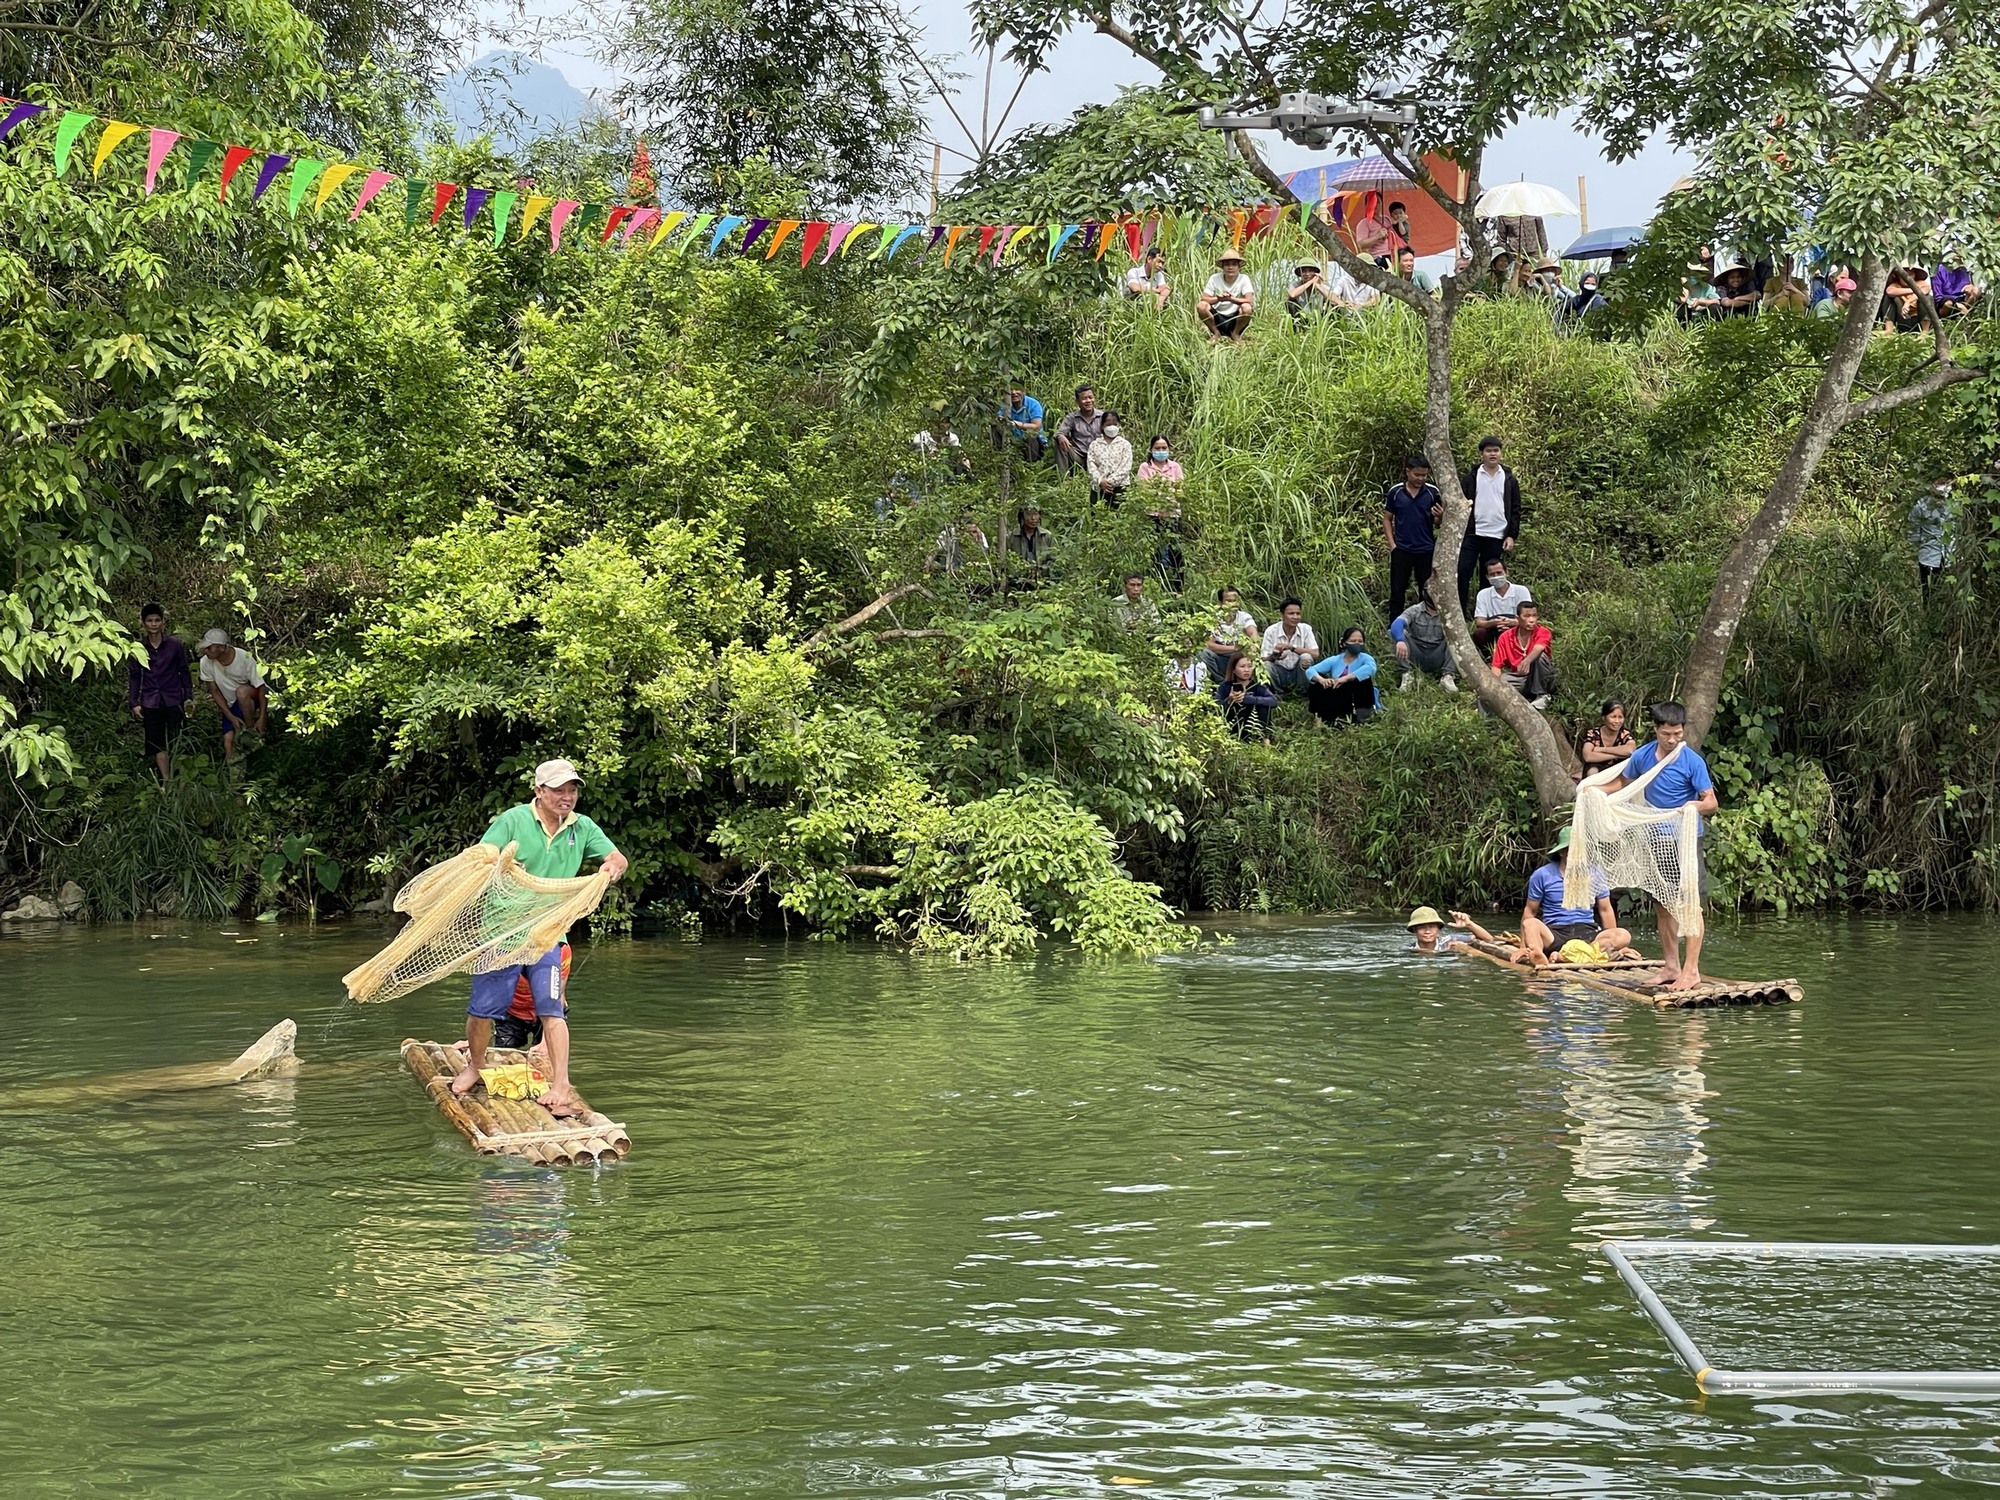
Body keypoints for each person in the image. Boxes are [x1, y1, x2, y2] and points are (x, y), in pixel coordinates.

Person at [452, 759, 628, 1116]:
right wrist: (494, 862)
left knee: (553, 1009)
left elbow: (616, 857)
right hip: (501, 933)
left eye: (572, 790)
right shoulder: (513, 820)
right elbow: (483, 857)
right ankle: (475, 1065)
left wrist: (612, 867)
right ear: (539, 792)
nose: (567, 797)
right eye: (559, 790)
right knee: (482, 1011)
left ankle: (561, 1084)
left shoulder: (583, 827)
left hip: (548, 933)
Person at [1605, 702, 1718, 991]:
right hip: (1656, 838)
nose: (1672, 740)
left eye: (1677, 734)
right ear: (1656, 730)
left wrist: (1695, 805)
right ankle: (1671, 966)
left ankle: (1691, 970)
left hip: (1686, 837)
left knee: (1690, 905)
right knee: (1662, 905)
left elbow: (1711, 802)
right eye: (1667, 734)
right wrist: (1592, 790)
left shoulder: (1691, 760)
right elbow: (1623, 783)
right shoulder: (1642, 756)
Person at [1520, 827, 1633, 964]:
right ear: (1562, 852)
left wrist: (1620, 946)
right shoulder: (1542, 875)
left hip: (1587, 933)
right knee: (1530, 924)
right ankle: (1537, 953)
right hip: (1555, 933)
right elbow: (1530, 911)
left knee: (1622, 935)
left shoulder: (1596, 874)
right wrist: (1522, 947)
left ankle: (1567, 955)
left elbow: (1605, 909)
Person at [127, 603, 192, 785]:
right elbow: (134, 676)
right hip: (150, 700)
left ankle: (183, 780)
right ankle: (167, 781)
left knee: (179, 738)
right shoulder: (138, 648)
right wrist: (134, 702)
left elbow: (184, 671)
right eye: (150, 621)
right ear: (144, 624)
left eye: (157, 620)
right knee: (157, 743)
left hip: (173, 698)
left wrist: (188, 696)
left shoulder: (175, 645)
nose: (154, 624)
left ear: (163, 622)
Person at [1457, 437, 1522, 617]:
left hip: (1496, 535)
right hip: (1472, 533)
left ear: (1500, 453)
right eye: (1488, 451)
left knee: (1490, 577)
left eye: (1496, 450)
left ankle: (1484, 614)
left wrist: (1511, 535)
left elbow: (1516, 509)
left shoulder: (1509, 479)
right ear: (1482, 454)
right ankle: (1460, 614)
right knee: (1463, 572)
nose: (1492, 454)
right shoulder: (1472, 477)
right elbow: (1460, 504)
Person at [1382, 455, 1442, 618]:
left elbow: (1437, 523)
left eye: (1424, 475)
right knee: (1397, 590)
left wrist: (1440, 516)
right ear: (1407, 472)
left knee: (1427, 590)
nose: (1420, 478)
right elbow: (1387, 519)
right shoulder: (1396, 492)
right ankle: (1394, 626)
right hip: (1402, 549)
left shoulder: (1432, 492)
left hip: (1426, 549)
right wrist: (1392, 545)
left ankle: (1425, 624)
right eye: (1417, 475)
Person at [197, 627, 268, 763]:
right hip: (231, 703)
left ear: (221, 648)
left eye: (209, 648)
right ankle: (234, 776)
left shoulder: (243, 657)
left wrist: (262, 716)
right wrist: (231, 716)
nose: (206, 651)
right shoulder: (205, 662)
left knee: (241, 692)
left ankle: (250, 731)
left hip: (250, 696)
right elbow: (215, 692)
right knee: (228, 741)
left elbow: (261, 686)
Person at [496, 941, 572, 1054]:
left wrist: (546, 1042)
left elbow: (558, 995)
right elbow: (486, 999)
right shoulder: (500, 951)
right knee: (502, 1056)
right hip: (512, 1011)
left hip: (548, 1011)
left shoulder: (561, 950)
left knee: (547, 1056)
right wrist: (475, 1043)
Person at [1137, 436, 1186, 590]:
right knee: (1156, 551)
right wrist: (1164, 497)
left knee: (1175, 551)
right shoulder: (1145, 467)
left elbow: (1180, 490)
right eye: (1157, 448)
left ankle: (1179, 587)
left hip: (1172, 515)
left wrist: (1165, 498)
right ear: (1151, 450)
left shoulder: (1175, 467)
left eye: (1164, 448)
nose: (1161, 451)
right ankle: (1159, 585)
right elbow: (1144, 490)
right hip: (1152, 515)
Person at [1305, 626, 1378, 726]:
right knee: (1316, 682)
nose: (1357, 644)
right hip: (1339, 695)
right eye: (1353, 641)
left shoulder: (1365, 658)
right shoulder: (1335, 660)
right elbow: (1311, 670)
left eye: (1360, 641)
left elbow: (1371, 668)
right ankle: (1322, 716)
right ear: (1344, 643)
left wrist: (1346, 678)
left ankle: (1360, 716)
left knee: (1363, 679)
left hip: (1357, 696)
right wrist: (1321, 680)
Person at [1491, 599, 1556, 708]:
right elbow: (1496, 666)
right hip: (1521, 678)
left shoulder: (1543, 632)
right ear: (1517, 619)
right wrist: (1494, 685)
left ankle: (1542, 695)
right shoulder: (1506, 637)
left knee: (1540, 657)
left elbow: (1539, 647)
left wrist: (1527, 661)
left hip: (1542, 675)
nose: (1531, 620)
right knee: (1501, 681)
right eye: (1526, 616)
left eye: (1534, 616)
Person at [1391, 591, 1456, 692]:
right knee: (1400, 633)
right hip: (1415, 652)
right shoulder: (1415, 610)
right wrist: (1400, 640)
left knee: (1454, 637)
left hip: (1437, 653)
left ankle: (1448, 676)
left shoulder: (1448, 613)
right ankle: (1407, 674)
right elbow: (1397, 623)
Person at [1470, 557, 1532, 653]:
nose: (1496, 576)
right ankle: (1490, 657)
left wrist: (1511, 622)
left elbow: (1529, 618)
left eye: (1499, 573)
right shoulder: (1483, 594)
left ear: (1506, 572)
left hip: (1516, 628)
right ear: (1487, 577)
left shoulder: (1521, 591)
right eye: (1492, 574)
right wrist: (1494, 623)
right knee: (1479, 633)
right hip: (1493, 629)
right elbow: (1479, 622)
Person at [1260, 598, 1319, 696]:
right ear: (1282, 615)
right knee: (1266, 665)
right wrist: (1275, 656)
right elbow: (1263, 659)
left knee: (1306, 658)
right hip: (1280, 672)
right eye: (1291, 613)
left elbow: (1315, 654)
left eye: (1298, 613)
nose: (1295, 617)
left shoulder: (1306, 629)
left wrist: (1292, 648)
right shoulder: (1271, 631)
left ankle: (1302, 692)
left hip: (1298, 672)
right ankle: (1278, 693)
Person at [1910, 476, 1957, 599]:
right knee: (1927, 590)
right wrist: (1917, 544)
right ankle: (1927, 613)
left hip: (1950, 554)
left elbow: (1960, 529)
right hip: (1928, 554)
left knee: (1947, 590)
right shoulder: (1922, 506)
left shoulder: (1955, 506)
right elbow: (1914, 527)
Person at [1200, 587, 1259, 679]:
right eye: (1229, 601)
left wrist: (1252, 646)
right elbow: (1209, 644)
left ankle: (1248, 685)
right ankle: (1221, 683)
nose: (1233, 604)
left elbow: (1253, 634)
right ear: (1220, 603)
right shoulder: (1214, 619)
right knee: (1203, 653)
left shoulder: (1244, 617)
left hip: (1239, 659)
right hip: (1220, 658)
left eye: (1235, 601)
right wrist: (1235, 648)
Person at [1214, 654, 1277, 738]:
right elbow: (1215, 707)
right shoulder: (1225, 686)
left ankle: (1265, 739)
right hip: (1232, 727)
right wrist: (1229, 700)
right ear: (1233, 669)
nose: (1247, 670)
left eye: (1250, 666)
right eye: (1242, 666)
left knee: (1264, 706)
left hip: (1253, 726)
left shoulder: (1258, 687)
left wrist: (1250, 699)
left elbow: (1273, 701)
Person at [1198, 251, 1256, 340]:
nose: (1230, 267)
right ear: (1222, 267)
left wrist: (1231, 299)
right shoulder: (1214, 278)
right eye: (1227, 265)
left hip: (1235, 317)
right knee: (1201, 306)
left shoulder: (1244, 279)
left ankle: (1235, 334)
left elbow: (1249, 300)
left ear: (1238, 266)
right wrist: (1218, 299)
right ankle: (1216, 333)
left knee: (1247, 307)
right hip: (1218, 316)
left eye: (1234, 264)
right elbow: (1204, 298)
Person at [1053, 384, 1105, 477]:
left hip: (1098, 457)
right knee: (1060, 442)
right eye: (1084, 398)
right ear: (1077, 402)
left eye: (1090, 397)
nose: (1088, 401)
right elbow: (1060, 432)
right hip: (1079, 456)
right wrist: (1061, 436)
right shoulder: (1072, 418)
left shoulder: (1103, 416)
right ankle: (1063, 479)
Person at [1086, 411, 1134, 505]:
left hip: (1120, 488)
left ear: (1119, 425)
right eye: (1108, 423)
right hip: (1098, 488)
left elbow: (1126, 467)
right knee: (1096, 517)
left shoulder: (1125, 445)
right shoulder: (1095, 445)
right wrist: (1100, 481)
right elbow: (1091, 465)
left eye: (1114, 423)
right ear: (1102, 426)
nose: (1111, 426)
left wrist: (1110, 482)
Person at [1578, 699, 1637, 773]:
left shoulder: (1625, 734)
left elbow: (1630, 750)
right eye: (1613, 717)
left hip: (1618, 771)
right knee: (1592, 771)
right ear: (1604, 717)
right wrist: (1618, 755)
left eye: (1620, 717)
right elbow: (1588, 756)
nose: (1617, 721)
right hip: (1596, 769)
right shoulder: (1593, 733)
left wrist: (1601, 749)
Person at [997, 384, 1045, 461]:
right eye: (1011, 390)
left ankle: (1031, 466)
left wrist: (1015, 423)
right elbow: (999, 418)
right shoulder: (1005, 404)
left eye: (1017, 389)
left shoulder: (1033, 404)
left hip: (1034, 444)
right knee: (995, 429)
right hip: (1013, 441)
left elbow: (1036, 426)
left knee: (1030, 434)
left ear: (1023, 391)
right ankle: (1000, 460)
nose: (1013, 392)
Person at [1007, 505, 1056, 579]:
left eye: (1036, 514)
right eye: (1029, 514)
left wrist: (1041, 570)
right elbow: (1007, 562)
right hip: (1018, 580)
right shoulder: (1011, 537)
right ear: (1022, 517)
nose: (1033, 518)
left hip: (1043, 579)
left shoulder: (1047, 536)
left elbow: (1053, 560)